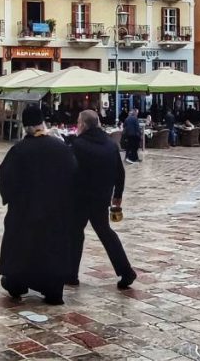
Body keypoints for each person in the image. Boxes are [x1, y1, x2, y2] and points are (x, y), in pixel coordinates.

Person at [0, 104, 76, 305]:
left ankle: (18, 283)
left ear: (25, 127)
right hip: (55, 212)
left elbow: (6, 178)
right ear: (43, 123)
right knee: (52, 248)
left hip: (25, 212)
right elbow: (74, 176)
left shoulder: (19, 150)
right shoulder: (61, 148)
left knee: (22, 248)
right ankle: (52, 289)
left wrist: (14, 198)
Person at [68, 110, 137, 290]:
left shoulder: (78, 144)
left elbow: (70, 172)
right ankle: (126, 271)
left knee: (75, 233)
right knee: (105, 233)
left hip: (80, 197)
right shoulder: (110, 144)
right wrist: (118, 196)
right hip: (102, 197)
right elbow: (119, 173)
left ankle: (71, 273)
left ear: (83, 125)